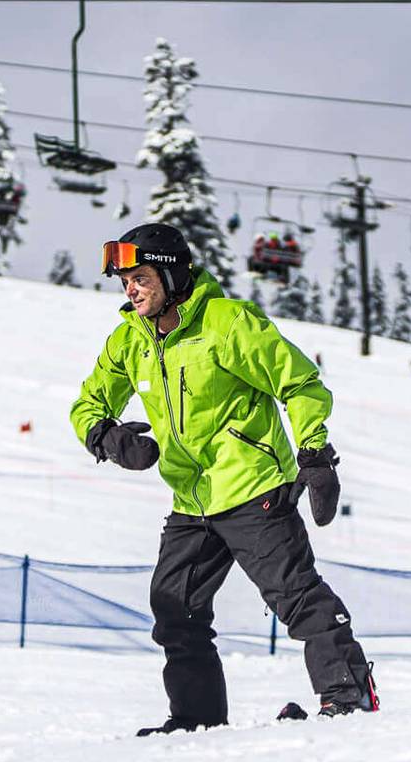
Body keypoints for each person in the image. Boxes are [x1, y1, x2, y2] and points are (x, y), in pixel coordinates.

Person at [71, 223, 377, 732]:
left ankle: (348, 696)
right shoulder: (132, 340)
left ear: (170, 275)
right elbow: (88, 403)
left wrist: (314, 454)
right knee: (175, 609)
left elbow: (299, 383)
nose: (131, 290)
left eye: (140, 277)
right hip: (192, 499)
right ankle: (195, 719)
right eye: (125, 281)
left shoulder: (227, 324)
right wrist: (106, 437)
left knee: (295, 596)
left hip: (252, 488)